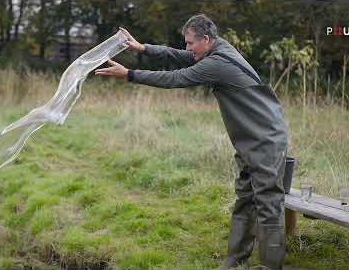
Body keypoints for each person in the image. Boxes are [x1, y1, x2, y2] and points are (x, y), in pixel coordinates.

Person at [95, 14, 288, 270]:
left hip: (265, 138)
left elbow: (176, 78)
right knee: (245, 197)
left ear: (205, 39)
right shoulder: (216, 49)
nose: (187, 48)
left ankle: (270, 266)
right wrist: (143, 48)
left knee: (268, 202)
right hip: (248, 138)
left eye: (190, 43)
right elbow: (181, 56)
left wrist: (129, 74)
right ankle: (235, 260)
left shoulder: (217, 63)